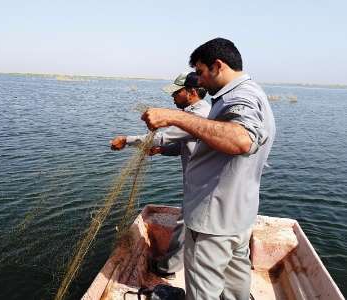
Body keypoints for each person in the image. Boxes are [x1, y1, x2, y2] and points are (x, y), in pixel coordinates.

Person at [141, 38, 276, 300]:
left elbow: (241, 139)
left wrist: (174, 116)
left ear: (217, 65)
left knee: (203, 292)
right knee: (236, 286)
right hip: (239, 216)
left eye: (201, 73)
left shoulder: (240, 97)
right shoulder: (252, 92)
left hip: (213, 221)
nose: (199, 82)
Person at [110, 72, 210, 278]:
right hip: (199, 183)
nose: (172, 97)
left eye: (176, 92)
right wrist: (163, 151)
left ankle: (167, 269)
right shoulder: (196, 111)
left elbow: (163, 138)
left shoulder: (198, 116)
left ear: (191, 92)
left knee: (187, 226)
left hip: (204, 186)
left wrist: (126, 140)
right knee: (190, 224)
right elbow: (186, 144)